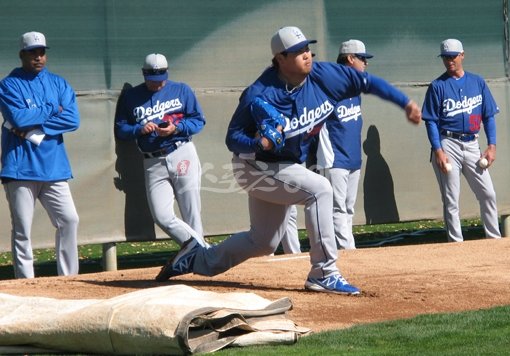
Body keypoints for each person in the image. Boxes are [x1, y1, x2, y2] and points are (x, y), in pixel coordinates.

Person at [155, 26, 421, 295]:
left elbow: (367, 82)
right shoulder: (260, 93)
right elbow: (232, 138)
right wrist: (259, 143)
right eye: (297, 51)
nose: (306, 55)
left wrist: (405, 102)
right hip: (255, 166)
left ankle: (196, 259)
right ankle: (324, 273)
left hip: (285, 165)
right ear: (280, 58)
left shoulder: (325, 75)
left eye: (307, 48)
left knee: (263, 242)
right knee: (320, 190)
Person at [0, 31, 80, 278]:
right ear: (22, 54)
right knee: (23, 229)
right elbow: (17, 118)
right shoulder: (9, 84)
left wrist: (39, 125)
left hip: (54, 166)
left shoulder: (59, 83)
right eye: (33, 52)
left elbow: (72, 119)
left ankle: (69, 279)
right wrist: (51, 109)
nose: (38, 57)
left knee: (69, 220)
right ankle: (25, 283)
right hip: (20, 167)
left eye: (42, 52)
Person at [115, 53, 208, 249]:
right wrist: (138, 129)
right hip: (152, 160)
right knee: (162, 216)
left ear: (167, 73)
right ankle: (200, 248)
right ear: (143, 74)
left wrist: (177, 128)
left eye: (160, 79)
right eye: (152, 80)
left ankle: (199, 255)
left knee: (191, 212)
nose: (157, 84)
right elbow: (121, 129)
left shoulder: (181, 90)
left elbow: (198, 121)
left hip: (181, 151)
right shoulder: (132, 97)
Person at [422, 39, 501, 242]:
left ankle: (494, 241)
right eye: (446, 57)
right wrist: (438, 150)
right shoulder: (437, 86)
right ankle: (455, 246)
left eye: (453, 56)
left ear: (462, 55)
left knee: (488, 194)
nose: (449, 61)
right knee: (451, 200)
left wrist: (491, 145)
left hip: (473, 144)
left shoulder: (477, 82)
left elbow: (488, 116)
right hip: (448, 143)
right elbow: (430, 122)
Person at [314, 39, 374, 250]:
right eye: (362, 59)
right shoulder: (328, 89)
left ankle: (345, 250)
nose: (365, 63)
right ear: (350, 59)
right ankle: (348, 251)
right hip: (334, 158)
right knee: (337, 208)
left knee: (348, 208)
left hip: (353, 157)